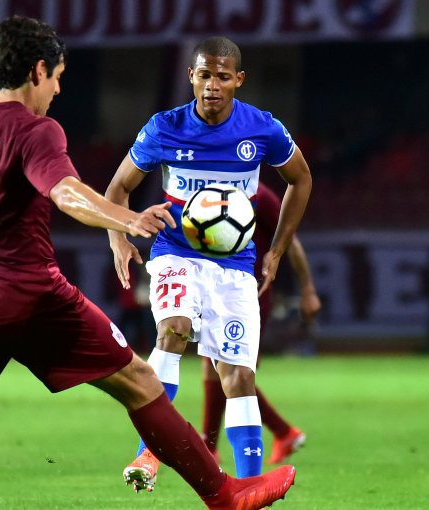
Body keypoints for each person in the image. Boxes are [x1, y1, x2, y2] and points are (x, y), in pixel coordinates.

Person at [0, 16, 295, 510]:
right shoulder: (37, 131)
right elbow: (66, 193)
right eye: (58, 76)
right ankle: (223, 495)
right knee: (141, 381)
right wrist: (127, 220)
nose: (59, 89)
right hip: (32, 300)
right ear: (38, 70)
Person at [105, 36, 312, 492]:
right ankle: (148, 452)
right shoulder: (163, 128)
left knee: (238, 375)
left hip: (235, 266)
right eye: (204, 75)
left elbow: (301, 179)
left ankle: (251, 486)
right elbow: (118, 189)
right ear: (191, 77)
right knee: (173, 329)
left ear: (238, 80)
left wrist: (276, 250)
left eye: (222, 76)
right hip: (175, 254)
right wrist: (119, 239)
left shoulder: (262, 129)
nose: (212, 85)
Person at [199, 183, 321, 468]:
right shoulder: (205, 192)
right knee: (218, 367)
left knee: (231, 369)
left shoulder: (259, 195)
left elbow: (291, 240)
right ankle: (281, 432)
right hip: (216, 290)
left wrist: (307, 289)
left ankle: (211, 446)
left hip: (251, 293)